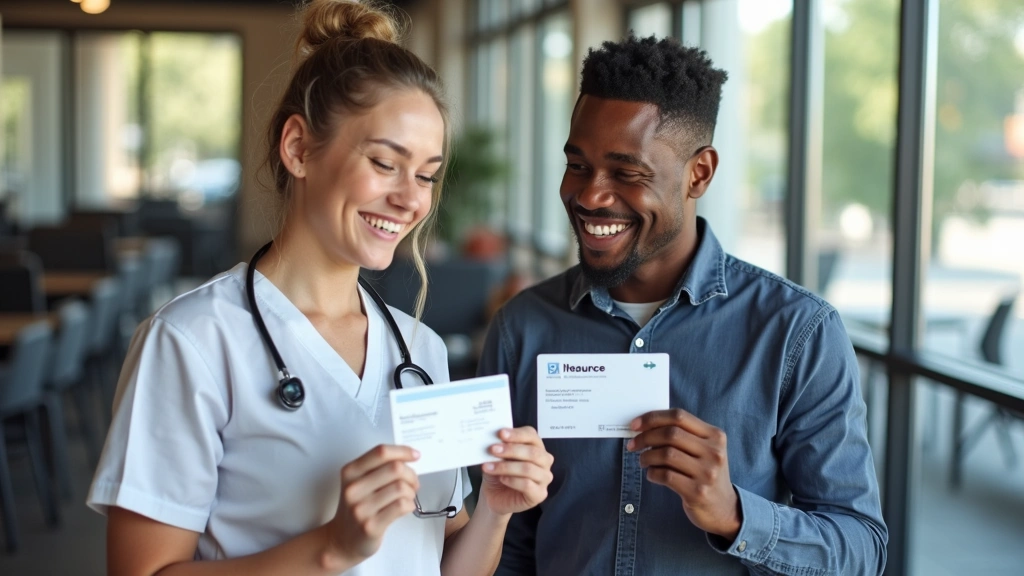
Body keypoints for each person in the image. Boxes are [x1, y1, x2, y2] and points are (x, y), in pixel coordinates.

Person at [87, 2, 553, 575]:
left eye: (427, 174)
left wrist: (496, 514)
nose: (411, 199)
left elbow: (440, 561)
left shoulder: (420, 350)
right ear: (299, 149)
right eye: (385, 162)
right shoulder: (192, 342)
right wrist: (329, 548)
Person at [479, 35, 887, 575]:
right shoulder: (522, 327)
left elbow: (861, 549)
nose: (591, 195)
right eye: (578, 165)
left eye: (627, 173)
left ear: (700, 173)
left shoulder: (796, 333)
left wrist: (736, 516)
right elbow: (506, 544)